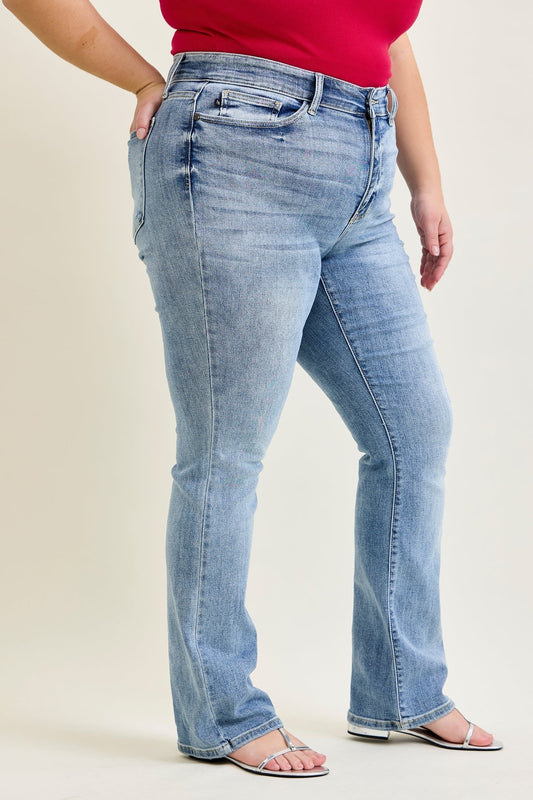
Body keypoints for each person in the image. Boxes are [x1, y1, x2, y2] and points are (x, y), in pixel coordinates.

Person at [3, 0, 502, 778]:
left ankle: (402, 689)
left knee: (413, 430)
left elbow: (389, 34)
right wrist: (141, 78)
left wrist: (424, 182)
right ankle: (221, 711)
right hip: (232, 147)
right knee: (225, 449)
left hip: (363, 157)